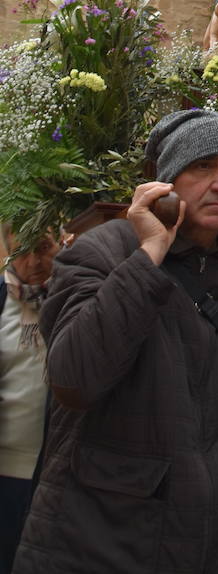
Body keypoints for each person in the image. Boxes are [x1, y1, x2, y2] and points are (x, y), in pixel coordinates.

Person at [13, 108, 218, 574]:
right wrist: (149, 254)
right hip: (104, 544)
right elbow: (74, 379)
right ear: (165, 182)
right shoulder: (100, 252)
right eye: (203, 166)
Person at [0, 227, 58, 574]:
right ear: (8, 250)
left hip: (56, 475)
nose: (35, 261)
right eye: (23, 250)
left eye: (44, 247)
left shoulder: (74, 297)